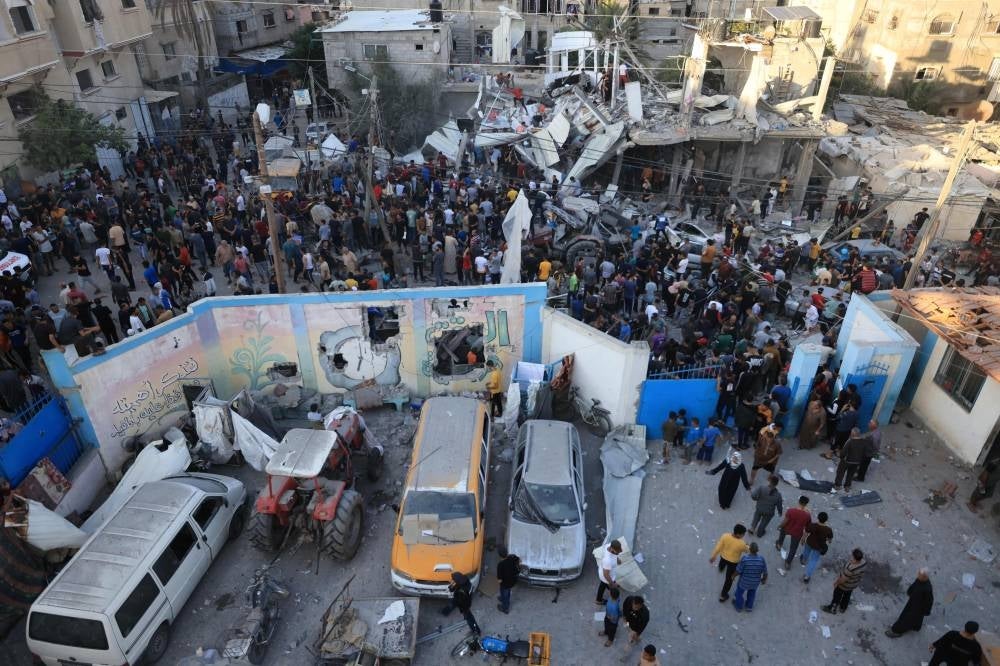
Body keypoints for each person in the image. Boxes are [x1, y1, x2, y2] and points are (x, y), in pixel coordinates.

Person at [886, 569, 934, 637]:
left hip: (918, 608)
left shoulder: (927, 588)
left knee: (906, 619)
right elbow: (914, 586)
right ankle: (915, 627)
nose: (918, 576)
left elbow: (929, 600)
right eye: (919, 574)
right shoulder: (919, 580)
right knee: (912, 617)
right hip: (913, 602)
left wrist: (926, 611)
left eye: (920, 575)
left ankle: (896, 631)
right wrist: (910, 591)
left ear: (925, 577)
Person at [709, 523, 749, 602]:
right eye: (743, 534)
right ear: (738, 534)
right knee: (729, 580)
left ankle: (721, 568)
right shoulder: (741, 543)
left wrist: (713, 556)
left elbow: (718, 547)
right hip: (733, 562)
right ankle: (723, 595)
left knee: (722, 563)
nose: (744, 535)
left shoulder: (725, 536)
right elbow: (747, 550)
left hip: (723, 556)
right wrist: (747, 546)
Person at [821, 548, 867, 615]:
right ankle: (843, 608)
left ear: (855, 559)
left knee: (836, 597)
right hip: (853, 584)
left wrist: (836, 583)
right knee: (847, 595)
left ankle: (832, 609)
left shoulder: (850, 568)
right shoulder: (863, 563)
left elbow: (843, 579)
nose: (851, 558)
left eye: (852, 557)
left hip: (844, 585)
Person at [775, 495, 811, 575]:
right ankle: (788, 563)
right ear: (806, 504)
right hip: (797, 532)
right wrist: (803, 538)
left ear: (799, 502)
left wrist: (780, 526)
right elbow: (807, 528)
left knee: (782, 533)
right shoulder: (807, 515)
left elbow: (785, 521)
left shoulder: (791, 511)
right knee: (793, 548)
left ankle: (779, 544)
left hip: (787, 528)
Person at [799, 512, 833, 583]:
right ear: (826, 520)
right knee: (813, 561)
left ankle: (803, 560)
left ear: (818, 518)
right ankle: (806, 577)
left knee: (806, 552)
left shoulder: (812, 525)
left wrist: (802, 540)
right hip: (819, 547)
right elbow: (830, 540)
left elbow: (806, 533)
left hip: (809, 542)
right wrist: (827, 539)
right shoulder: (828, 530)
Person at [733, 542, 768, 612]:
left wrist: (733, 576)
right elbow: (765, 572)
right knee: (752, 594)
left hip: (744, 582)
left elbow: (738, 570)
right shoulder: (761, 559)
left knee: (739, 593)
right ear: (757, 550)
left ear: (749, 549)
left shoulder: (745, 559)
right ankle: (749, 607)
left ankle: (739, 606)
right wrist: (764, 580)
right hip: (755, 582)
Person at [596, 540, 622, 604]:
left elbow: (614, 555)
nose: (620, 551)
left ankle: (599, 599)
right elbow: (606, 575)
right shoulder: (608, 561)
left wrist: (617, 559)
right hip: (606, 577)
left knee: (603, 585)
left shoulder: (608, 546)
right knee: (606, 585)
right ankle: (600, 600)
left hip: (606, 572)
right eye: (617, 551)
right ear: (612, 549)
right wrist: (612, 583)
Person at [496, 547, 520, 614]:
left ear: (499, 555)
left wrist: (500, 582)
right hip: (512, 581)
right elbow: (518, 559)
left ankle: (505, 608)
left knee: (505, 592)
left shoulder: (500, 565)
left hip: (505, 583)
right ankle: (503, 598)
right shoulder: (511, 558)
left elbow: (499, 580)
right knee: (507, 591)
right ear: (507, 553)